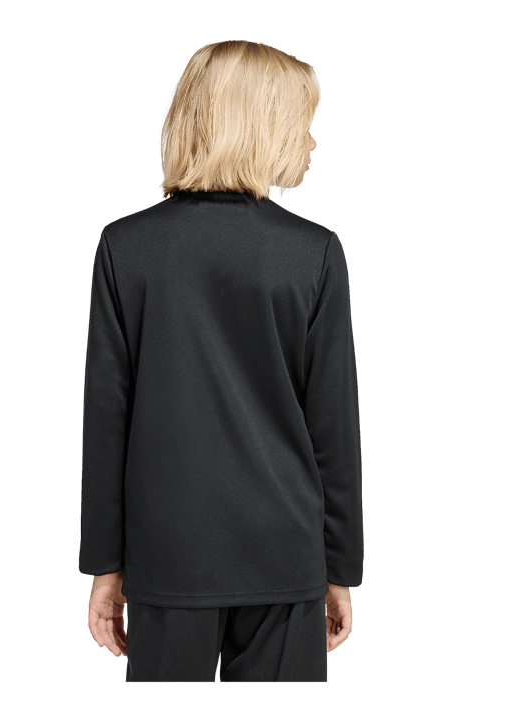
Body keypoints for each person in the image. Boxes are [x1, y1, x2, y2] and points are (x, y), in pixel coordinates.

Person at [78, 39, 365, 683]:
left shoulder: (126, 246)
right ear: (263, 127)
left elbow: (106, 419)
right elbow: (333, 426)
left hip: (165, 551)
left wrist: (105, 566)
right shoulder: (314, 252)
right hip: (285, 552)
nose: (311, 141)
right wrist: (339, 569)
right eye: (304, 124)